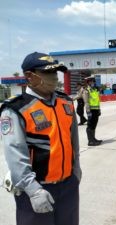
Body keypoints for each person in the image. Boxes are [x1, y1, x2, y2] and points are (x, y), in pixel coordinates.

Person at [0, 52, 81, 225]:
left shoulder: (65, 102)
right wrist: (33, 190)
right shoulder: (16, 109)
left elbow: (73, 140)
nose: (54, 77)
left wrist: (76, 170)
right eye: (48, 73)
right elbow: (15, 155)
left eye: (55, 72)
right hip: (36, 190)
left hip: (68, 186)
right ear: (30, 76)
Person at [83, 75, 102, 146]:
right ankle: (90, 141)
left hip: (96, 110)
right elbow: (86, 102)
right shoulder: (86, 90)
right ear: (88, 82)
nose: (93, 82)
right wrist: (88, 112)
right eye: (91, 81)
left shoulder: (95, 90)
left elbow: (97, 100)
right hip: (91, 110)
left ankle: (93, 139)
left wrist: (99, 109)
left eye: (93, 81)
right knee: (90, 125)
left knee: (94, 125)